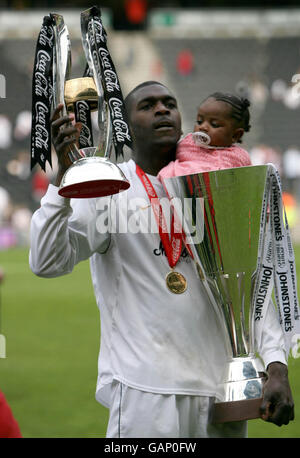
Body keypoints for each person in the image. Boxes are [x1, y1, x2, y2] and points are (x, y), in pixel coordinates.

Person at [29, 81, 294, 438]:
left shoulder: (219, 184)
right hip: (146, 391)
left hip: (224, 392)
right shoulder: (109, 186)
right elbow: (46, 260)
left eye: (169, 103)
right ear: (124, 122)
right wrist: (63, 182)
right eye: (148, 105)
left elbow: (252, 288)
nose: (162, 109)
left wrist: (276, 365)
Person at [158, 92, 252, 180]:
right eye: (199, 121)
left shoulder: (239, 157)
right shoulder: (186, 143)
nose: (203, 127)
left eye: (214, 124)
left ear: (235, 135)